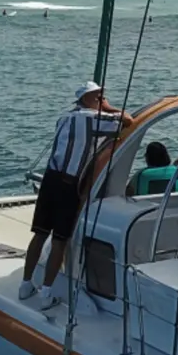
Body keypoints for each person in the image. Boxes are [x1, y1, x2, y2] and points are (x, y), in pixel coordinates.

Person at [20, 82, 124, 310]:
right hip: (68, 185)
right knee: (59, 240)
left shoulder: (65, 117)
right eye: (98, 96)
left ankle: (26, 284)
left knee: (39, 234)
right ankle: (46, 292)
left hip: (50, 180)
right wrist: (109, 108)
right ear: (88, 99)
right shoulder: (91, 118)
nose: (102, 99)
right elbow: (128, 121)